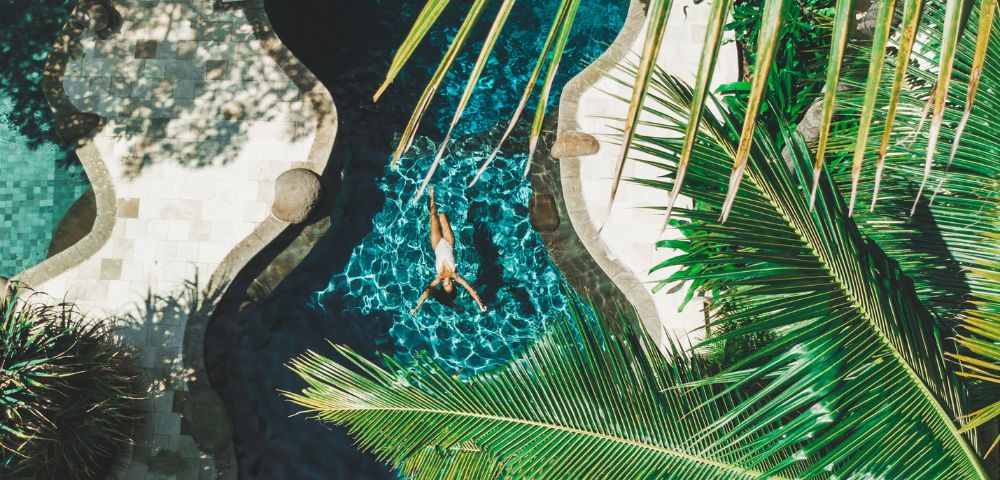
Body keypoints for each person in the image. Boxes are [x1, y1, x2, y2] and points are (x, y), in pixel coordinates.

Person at [410, 187, 487, 315]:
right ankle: (447, 201)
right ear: (454, 285)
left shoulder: (438, 278)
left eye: (446, 286)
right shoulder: (455, 275)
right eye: (450, 285)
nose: (448, 283)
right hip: (449, 243)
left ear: (443, 287)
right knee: (443, 216)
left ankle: (432, 196)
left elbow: (426, 292)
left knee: (433, 217)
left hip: (436, 245)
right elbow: (470, 289)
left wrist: (416, 308)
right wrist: (480, 304)